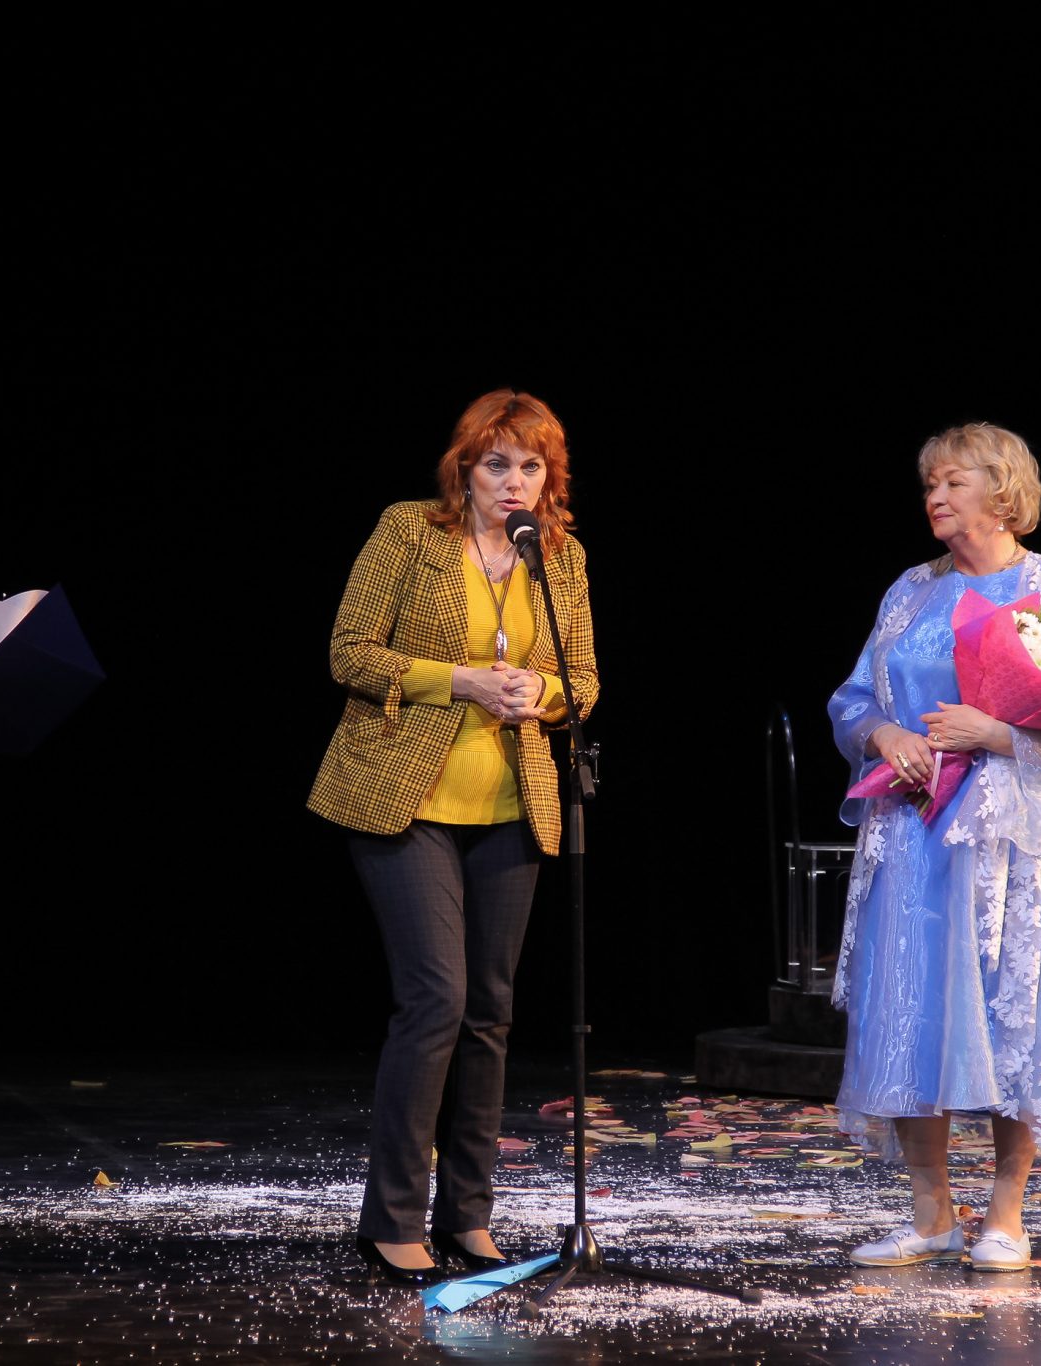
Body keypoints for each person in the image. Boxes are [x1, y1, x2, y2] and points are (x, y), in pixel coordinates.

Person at [307, 389, 599, 1284]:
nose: (514, 482)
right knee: (436, 998)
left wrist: (543, 695)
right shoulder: (409, 532)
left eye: (530, 467)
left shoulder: (560, 556)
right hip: (406, 798)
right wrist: (460, 681)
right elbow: (349, 651)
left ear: (549, 478)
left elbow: (584, 679)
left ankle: (468, 1217)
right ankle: (392, 1220)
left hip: (513, 803)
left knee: (490, 1013)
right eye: (496, 464)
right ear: (464, 468)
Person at [828, 422, 1041, 1272]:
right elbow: (852, 697)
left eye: (953, 482)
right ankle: (930, 1214)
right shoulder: (911, 590)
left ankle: (1006, 1216)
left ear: (1001, 491)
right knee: (912, 1010)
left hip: (1011, 840)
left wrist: (993, 734)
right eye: (930, 485)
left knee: (1009, 1014)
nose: (936, 498)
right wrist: (882, 734)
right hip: (914, 827)